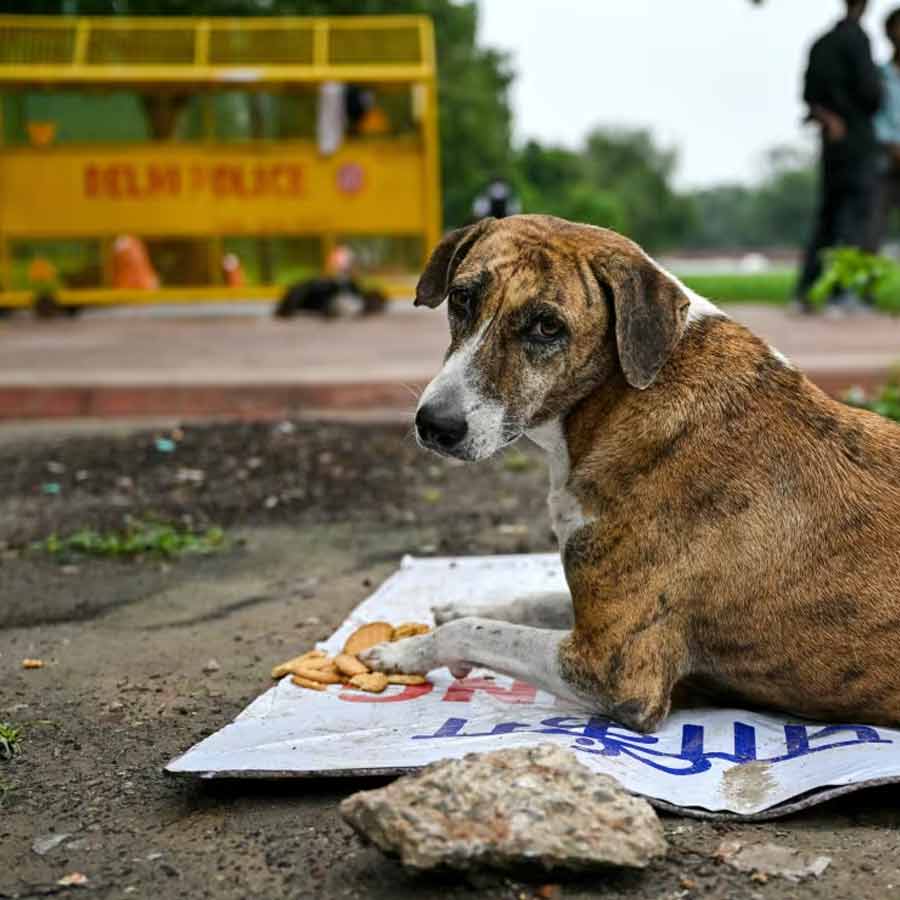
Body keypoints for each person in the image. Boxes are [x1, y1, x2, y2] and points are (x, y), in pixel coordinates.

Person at [795, 0, 882, 314]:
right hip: (856, 141)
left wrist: (826, 117)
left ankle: (806, 290)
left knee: (828, 218)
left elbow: (808, 94)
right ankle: (842, 293)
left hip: (832, 144)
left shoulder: (822, 43)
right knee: (853, 219)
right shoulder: (857, 39)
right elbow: (870, 94)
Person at [866, 7, 900, 253]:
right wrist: (891, 146)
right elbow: (872, 116)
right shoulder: (878, 76)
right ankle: (860, 289)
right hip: (884, 160)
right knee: (871, 227)